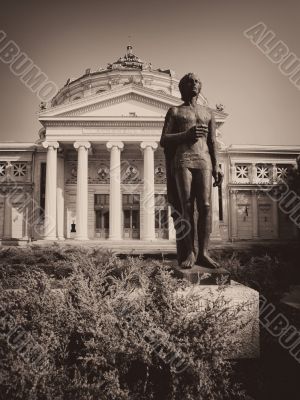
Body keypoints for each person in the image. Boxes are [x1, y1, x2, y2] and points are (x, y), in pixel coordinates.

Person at [160, 73, 223, 268]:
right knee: (185, 206)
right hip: (183, 161)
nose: (194, 84)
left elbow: (213, 141)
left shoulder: (208, 113)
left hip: (204, 160)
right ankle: (188, 252)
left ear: (200, 87)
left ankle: (203, 253)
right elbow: (164, 140)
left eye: (197, 81)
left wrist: (218, 165)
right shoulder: (175, 112)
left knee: (204, 206)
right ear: (182, 88)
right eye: (189, 81)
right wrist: (186, 134)